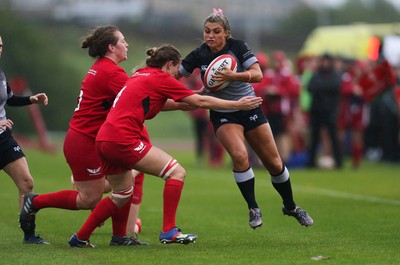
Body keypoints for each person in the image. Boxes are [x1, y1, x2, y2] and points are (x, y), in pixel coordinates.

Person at [67, 44, 262, 248]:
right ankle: (169, 231)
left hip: (104, 139)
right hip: (123, 139)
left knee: (122, 193)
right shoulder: (162, 78)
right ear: (170, 64)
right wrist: (237, 104)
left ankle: (80, 237)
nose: (176, 75)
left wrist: (195, 96)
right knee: (176, 172)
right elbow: (200, 101)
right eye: (176, 70)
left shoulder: (140, 74)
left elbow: (170, 103)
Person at [176, 8, 313, 229]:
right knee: (240, 156)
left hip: (250, 108)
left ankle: (291, 206)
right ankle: (253, 207)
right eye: (207, 31)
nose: (210, 35)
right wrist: (154, 79)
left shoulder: (238, 47)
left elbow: (257, 75)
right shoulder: (198, 55)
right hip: (223, 113)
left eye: (216, 31)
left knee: (275, 163)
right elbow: (175, 75)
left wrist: (234, 76)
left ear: (226, 33)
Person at [18, 26, 145, 246]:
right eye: (123, 41)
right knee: (89, 199)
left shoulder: (102, 67)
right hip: (84, 142)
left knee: (124, 180)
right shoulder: (111, 72)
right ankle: (35, 202)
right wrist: (180, 97)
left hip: (95, 139)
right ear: (111, 47)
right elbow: (139, 101)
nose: (127, 45)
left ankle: (120, 237)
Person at [0, 35, 49, 244]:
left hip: (3, 140)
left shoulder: (0, 73)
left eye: (1, 45)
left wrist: (31, 99)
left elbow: (9, 98)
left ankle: (29, 235)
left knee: (27, 183)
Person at [307, 53, 342, 169]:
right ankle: (311, 162)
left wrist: (322, 88)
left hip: (330, 111)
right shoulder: (316, 74)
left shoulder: (335, 75)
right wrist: (325, 88)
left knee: (333, 137)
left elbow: (335, 86)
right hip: (317, 111)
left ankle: (338, 161)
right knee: (314, 138)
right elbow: (310, 87)